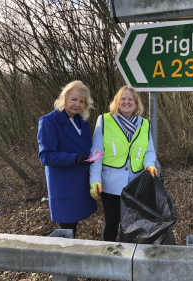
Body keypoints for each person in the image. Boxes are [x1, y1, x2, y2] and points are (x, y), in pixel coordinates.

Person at [89, 85, 157, 242]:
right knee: (112, 222)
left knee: (134, 224)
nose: (127, 102)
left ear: (136, 103)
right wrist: (95, 179)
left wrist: (149, 164)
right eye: (123, 99)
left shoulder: (144, 124)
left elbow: (149, 151)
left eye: (130, 99)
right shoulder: (105, 120)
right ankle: (108, 256)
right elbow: (96, 153)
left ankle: (130, 258)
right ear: (117, 102)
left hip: (136, 184)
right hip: (110, 183)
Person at [37, 80, 97, 238]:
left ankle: (70, 254)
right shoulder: (49, 121)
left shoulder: (82, 121)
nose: (77, 104)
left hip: (82, 181)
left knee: (74, 226)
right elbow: (45, 156)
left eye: (81, 101)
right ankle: (63, 258)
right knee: (67, 227)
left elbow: (88, 148)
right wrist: (74, 158)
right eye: (74, 99)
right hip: (64, 184)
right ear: (64, 99)